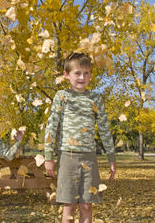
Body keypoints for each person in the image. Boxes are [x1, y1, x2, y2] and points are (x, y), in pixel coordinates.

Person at [44, 52, 116, 223]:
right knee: (69, 205)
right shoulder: (62, 96)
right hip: (67, 156)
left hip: (89, 158)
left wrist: (111, 157)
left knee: (86, 205)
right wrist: (48, 157)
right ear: (66, 75)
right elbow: (51, 127)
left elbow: (105, 129)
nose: (82, 77)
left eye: (86, 73)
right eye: (77, 73)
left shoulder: (95, 99)